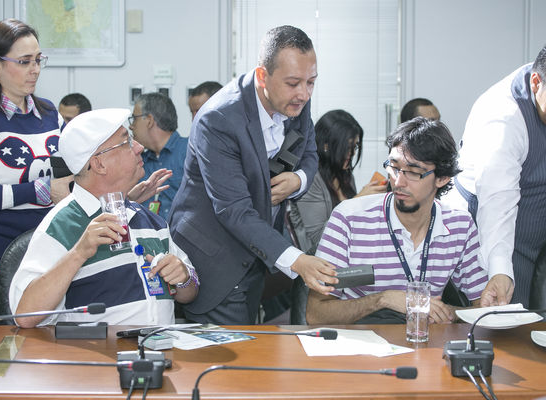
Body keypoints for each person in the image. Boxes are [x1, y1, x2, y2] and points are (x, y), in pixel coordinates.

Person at [169, 25, 338, 325]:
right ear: (263, 76)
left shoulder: (296, 98)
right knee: (231, 360)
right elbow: (233, 210)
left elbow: (310, 154)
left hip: (257, 250)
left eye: (311, 82)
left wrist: (297, 181)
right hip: (214, 256)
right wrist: (297, 261)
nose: (303, 93)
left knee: (253, 344)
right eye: (293, 83)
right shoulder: (218, 120)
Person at [9, 108, 198, 328]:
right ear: (99, 164)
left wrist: (184, 278)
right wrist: (79, 254)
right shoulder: (61, 225)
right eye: (127, 142)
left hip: (161, 353)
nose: (139, 147)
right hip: (100, 358)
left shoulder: (150, 220)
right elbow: (24, 316)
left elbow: (190, 292)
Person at [307, 118, 488, 325]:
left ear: (442, 178)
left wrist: (447, 313)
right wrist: (383, 300)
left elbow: (482, 306)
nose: (398, 182)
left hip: (424, 347)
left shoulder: (460, 226)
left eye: (413, 172)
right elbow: (316, 314)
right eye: (393, 167)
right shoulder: (349, 219)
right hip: (360, 347)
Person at [0, 19, 74, 324]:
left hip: (40, 253)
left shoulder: (49, 114)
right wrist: (44, 190)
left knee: (33, 349)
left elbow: (66, 174)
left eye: (38, 60)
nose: (34, 70)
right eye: (23, 62)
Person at [443, 46, 546, 308]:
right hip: (498, 229)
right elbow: (497, 203)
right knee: (508, 321)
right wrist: (500, 269)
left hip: (537, 222)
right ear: (536, 83)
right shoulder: (504, 118)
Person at [289, 110, 387, 255]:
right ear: (326, 145)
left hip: (344, 256)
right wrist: (358, 200)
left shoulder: (345, 175)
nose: (352, 154)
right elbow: (319, 238)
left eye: (355, 147)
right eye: (347, 147)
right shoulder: (309, 177)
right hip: (315, 261)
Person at [129, 93, 186, 221]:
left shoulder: (190, 152)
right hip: (149, 238)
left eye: (134, 119)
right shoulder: (137, 161)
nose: (131, 126)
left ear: (149, 120)